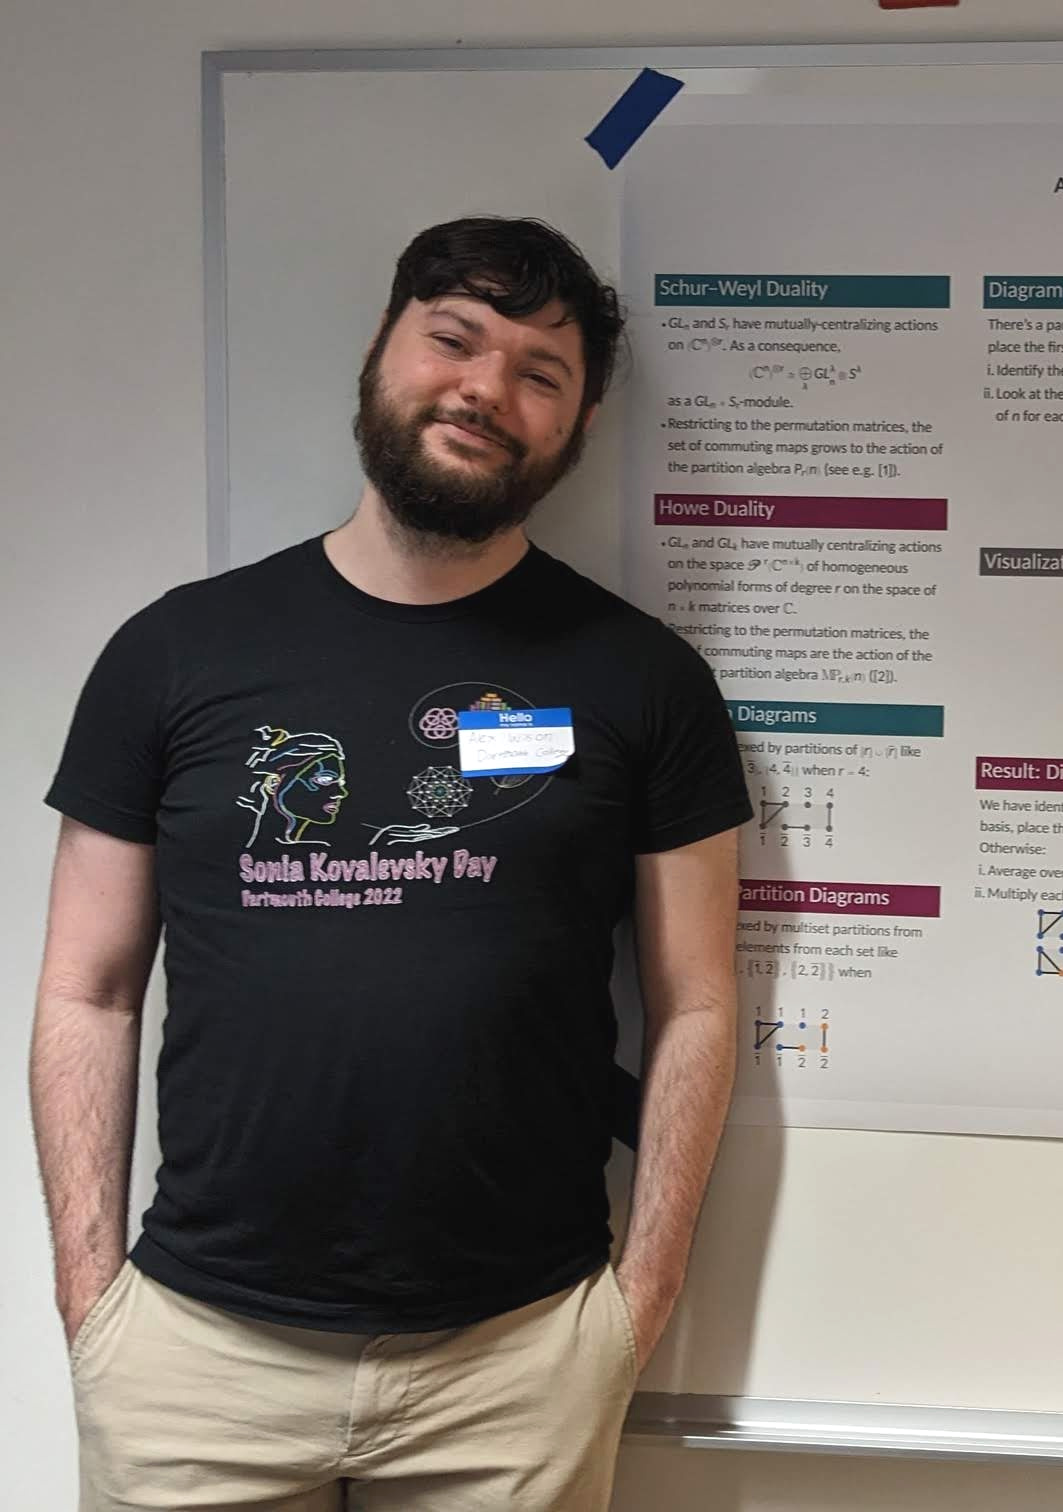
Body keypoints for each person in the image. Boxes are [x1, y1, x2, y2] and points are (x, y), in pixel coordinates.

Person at [31, 216, 752, 1511]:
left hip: (514, 1367)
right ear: (381, 350)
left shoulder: (643, 682)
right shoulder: (175, 655)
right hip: (198, 1363)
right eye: (455, 338)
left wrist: (633, 1311)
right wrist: (91, 1302)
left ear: (576, 429)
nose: (487, 388)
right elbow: (85, 990)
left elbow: (697, 1002)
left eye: (542, 373)